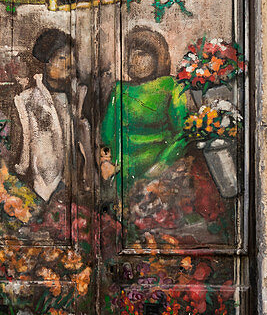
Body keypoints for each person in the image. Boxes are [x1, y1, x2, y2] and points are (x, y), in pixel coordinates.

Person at [100, 26, 188, 186]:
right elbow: (107, 133)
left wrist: (162, 165)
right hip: (123, 173)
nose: (133, 60)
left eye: (141, 54)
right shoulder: (119, 90)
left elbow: (183, 134)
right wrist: (106, 161)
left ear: (157, 57)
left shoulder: (171, 86)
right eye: (130, 54)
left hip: (160, 174)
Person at [14, 28, 91, 202]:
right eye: (61, 58)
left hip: (74, 189)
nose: (69, 64)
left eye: (71, 57)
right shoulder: (27, 100)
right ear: (46, 62)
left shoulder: (79, 97)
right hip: (39, 190)